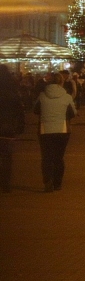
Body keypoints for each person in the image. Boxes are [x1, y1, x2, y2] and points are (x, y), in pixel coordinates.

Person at [33, 72, 78, 192]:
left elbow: (35, 110)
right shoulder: (67, 97)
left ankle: (48, 181)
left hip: (44, 130)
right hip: (62, 129)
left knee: (46, 157)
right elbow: (73, 113)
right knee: (58, 157)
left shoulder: (42, 96)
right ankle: (57, 183)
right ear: (61, 82)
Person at [0, 65, 26, 193]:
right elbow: (20, 111)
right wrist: (20, 126)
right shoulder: (13, 92)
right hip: (8, 128)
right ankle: (5, 183)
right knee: (6, 157)